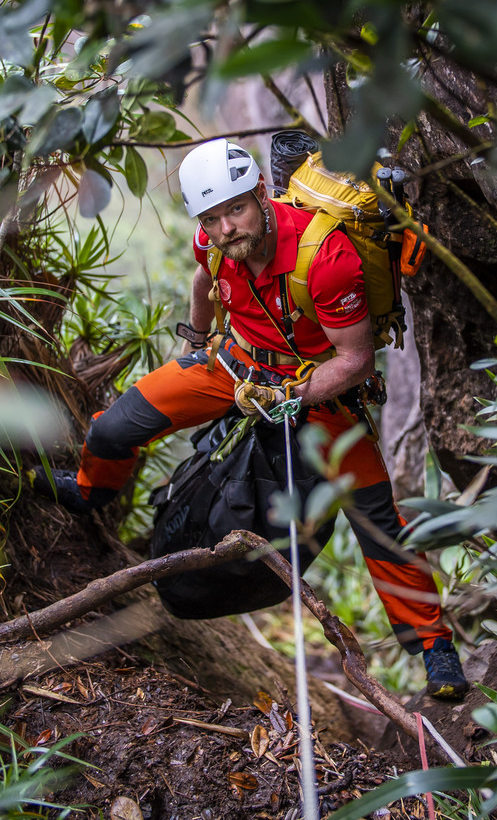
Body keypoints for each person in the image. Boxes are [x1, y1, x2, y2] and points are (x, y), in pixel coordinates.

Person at [33, 138, 469, 699]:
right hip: (234, 367)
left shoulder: (325, 259)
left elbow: (356, 361)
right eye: (212, 218)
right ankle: (90, 493)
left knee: (378, 521)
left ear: (261, 194)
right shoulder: (213, 240)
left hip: (316, 391)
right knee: (114, 428)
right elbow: (203, 278)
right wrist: (195, 339)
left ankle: (435, 649)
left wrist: (291, 396)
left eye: (235, 209)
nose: (226, 228)